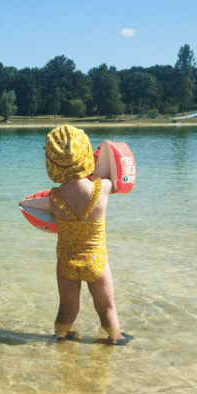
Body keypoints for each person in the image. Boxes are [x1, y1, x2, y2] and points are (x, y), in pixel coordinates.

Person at [44, 124, 124, 345]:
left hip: (66, 261)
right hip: (95, 261)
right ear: (85, 155)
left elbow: (46, 216)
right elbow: (113, 179)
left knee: (68, 306)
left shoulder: (55, 197)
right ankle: (115, 339)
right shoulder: (101, 189)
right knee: (106, 306)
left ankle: (60, 337)